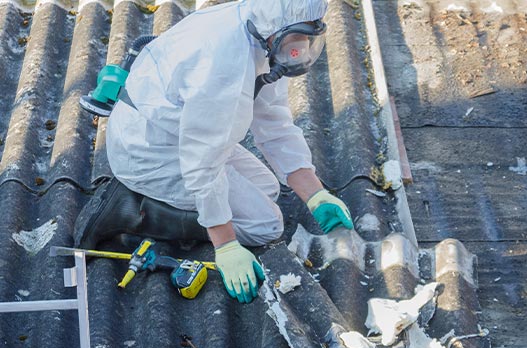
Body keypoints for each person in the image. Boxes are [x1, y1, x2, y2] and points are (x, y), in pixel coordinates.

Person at [73, 0, 353, 304]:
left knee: (268, 188)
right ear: (276, 29)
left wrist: (315, 195)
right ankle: (132, 211)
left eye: (310, 38)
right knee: (266, 225)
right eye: (297, 39)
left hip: (174, 131)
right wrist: (226, 245)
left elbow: (274, 125)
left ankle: (184, 207)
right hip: (149, 150)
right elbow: (202, 164)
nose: (300, 50)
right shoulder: (223, 65)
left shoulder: (259, 33)